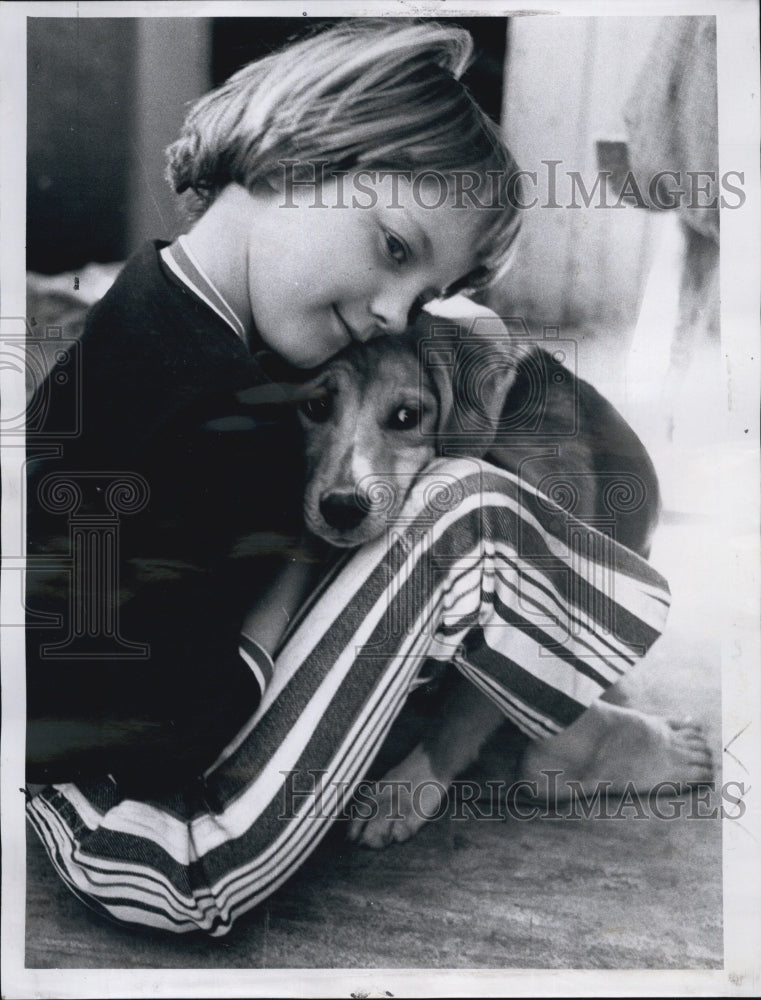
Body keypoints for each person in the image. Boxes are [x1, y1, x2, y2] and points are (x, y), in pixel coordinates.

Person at [25, 19, 710, 936]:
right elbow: (193, 718)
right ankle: (578, 732)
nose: (394, 309)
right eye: (394, 246)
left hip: (56, 782)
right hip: (169, 847)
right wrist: (307, 551)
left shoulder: (145, 310)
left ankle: (540, 700)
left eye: (424, 294)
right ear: (283, 164)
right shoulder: (224, 409)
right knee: (456, 508)